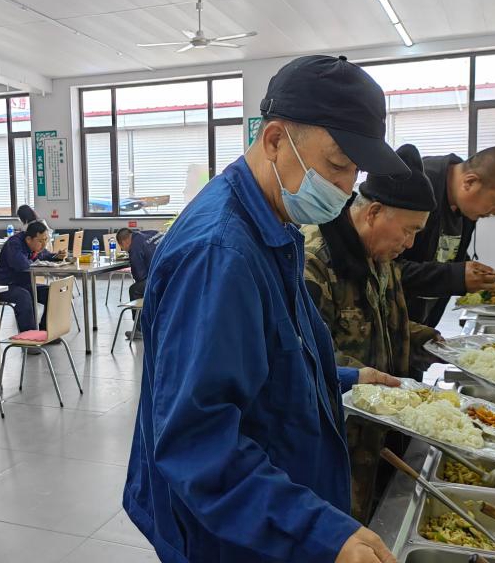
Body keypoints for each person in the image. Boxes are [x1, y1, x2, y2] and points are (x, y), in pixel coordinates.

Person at [123, 55, 407, 563]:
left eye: (355, 173)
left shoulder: (274, 225)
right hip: (230, 531)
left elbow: (270, 357)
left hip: (268, 506)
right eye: (337, 166)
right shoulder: (220, 254)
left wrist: (346, 378)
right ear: (275, 139)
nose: (346, 190)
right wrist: (320, 532)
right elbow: (197, 441)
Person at [303, 143, 440, 524]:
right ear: (374, 212)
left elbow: (385, 326)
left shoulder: (380, 256)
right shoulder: (315, 259)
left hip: (377, 432)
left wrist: (433, 342)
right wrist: (371, 381)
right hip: (335, 442)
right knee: (337, 529)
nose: (410, 244)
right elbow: (305, 354)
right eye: (409, 230)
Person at [398, 146, 495, 327]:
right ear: (470, 182)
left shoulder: (465, 207)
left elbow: (447, 252)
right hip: (387, 325)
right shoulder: (417, 186)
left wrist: (475, 276)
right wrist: (456, 276)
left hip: (421, 324)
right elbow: (386, 270)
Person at [0, 221, 65, 332]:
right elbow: (22, 264)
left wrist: (56, 256)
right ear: (29, 239)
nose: (44, 244)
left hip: (23, 284)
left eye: (46, 240)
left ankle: (46, 331)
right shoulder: (14, 244)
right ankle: (29, 337)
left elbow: (44, 254)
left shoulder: (34, 245)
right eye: (40, 241)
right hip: (4, 285)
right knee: (24, 296)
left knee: (53, 292)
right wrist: (36, 255)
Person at [115, 227, 164, 335]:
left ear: (124, 242)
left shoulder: (134, 247)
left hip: (163, 278)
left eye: (122, 247)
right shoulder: (151, 232)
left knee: (135, 289)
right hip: (176, 272)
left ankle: (140, 329)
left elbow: (140, 277)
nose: (124, 250)